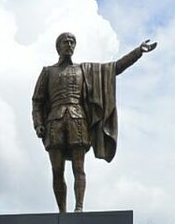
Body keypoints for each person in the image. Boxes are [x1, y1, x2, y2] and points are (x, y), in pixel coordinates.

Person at [31, 31, 156, 212]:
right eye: (65, 42)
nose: (69, 44)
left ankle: (79, 207)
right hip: (54, 124)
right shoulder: (47, 72)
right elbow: (37, 101)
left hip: (78, 121)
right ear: (58, 47)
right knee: (57, 170)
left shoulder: (85, 70)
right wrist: (38, 124)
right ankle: (62, 212)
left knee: (79, 168)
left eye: (72, 42)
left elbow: (114, 68)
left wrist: (137, 52)